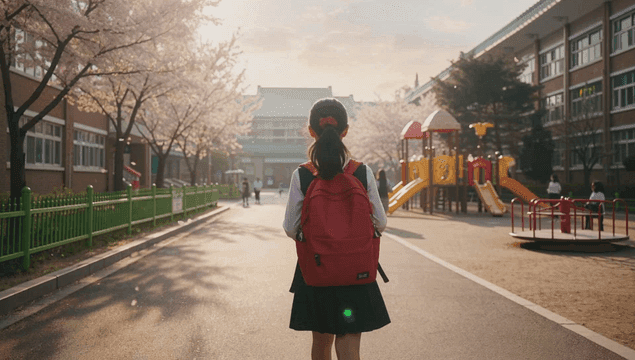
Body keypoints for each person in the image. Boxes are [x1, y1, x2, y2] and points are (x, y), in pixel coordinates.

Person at [283, 98, 390, 360]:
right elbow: (381, 223)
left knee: (321, 343)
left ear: (311, 131)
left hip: (317, 270)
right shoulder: (362, 172)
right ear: (345, 130)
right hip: (356, 271)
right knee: (349, 345)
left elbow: (290, 227)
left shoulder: (304, 175)